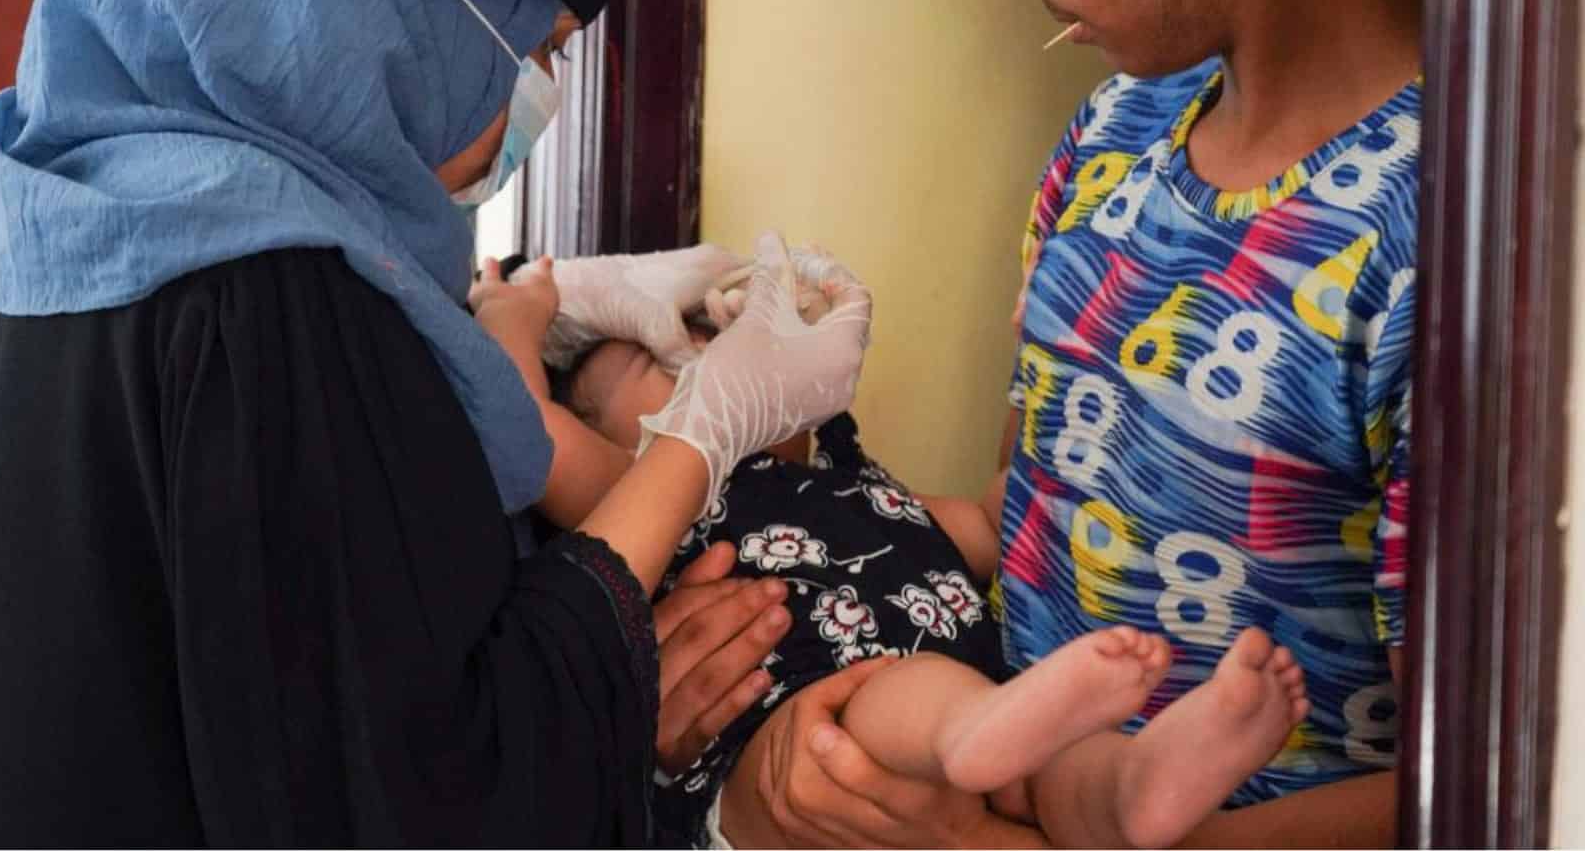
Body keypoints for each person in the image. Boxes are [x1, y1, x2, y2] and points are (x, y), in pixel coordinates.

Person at [0, 0, 873, 848]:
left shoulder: (74, 219)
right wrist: (696, 452)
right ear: (408, 15)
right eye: (537, 50)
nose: (532, 105)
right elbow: (422, 792)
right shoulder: (264, 297)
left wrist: (549, 302)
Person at [643, 0, 1423, 845]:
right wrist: (775, 665)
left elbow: (1493, 780)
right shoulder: (1108, 141)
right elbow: (1039, 543)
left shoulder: (1444, 243)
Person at [476, 261, 1313, 850]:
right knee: (913, 704)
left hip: (990, 717)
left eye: (710, 343)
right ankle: (981, 732)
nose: (698, 357)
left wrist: (1077, 368)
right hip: (816, 731)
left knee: (1060, 769)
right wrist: (516, 313)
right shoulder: (648, 492)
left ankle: (1138, 787)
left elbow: (1004, 517)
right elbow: (529, 434)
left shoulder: (859, 486)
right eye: (647, 367)